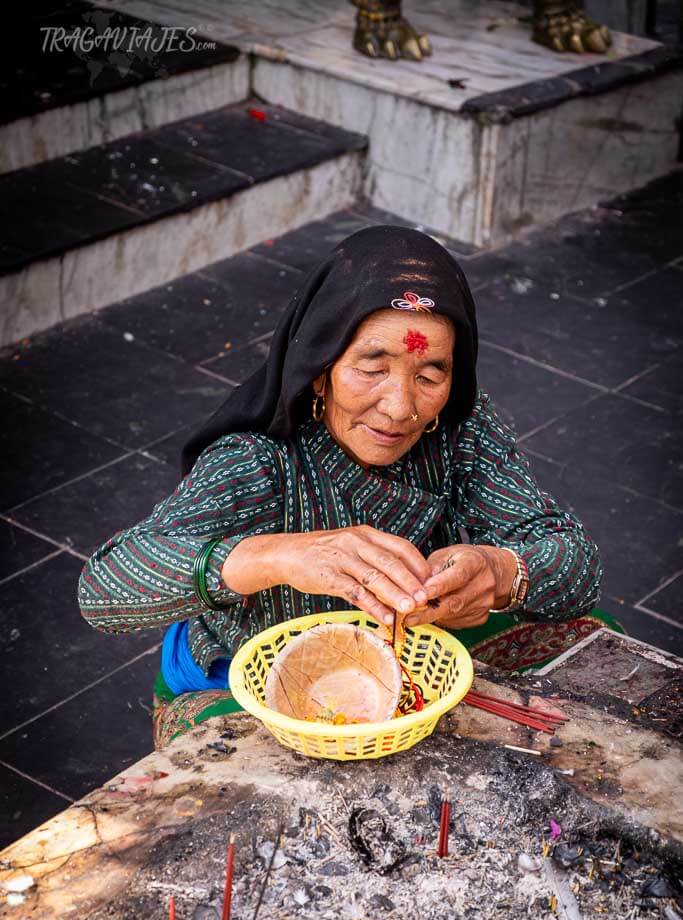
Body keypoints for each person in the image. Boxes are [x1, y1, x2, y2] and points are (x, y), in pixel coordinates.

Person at [78, 226, 618, 749]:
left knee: (592, 648)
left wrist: (501, 573)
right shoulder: (256, 461)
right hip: (252, 681)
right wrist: (280, 556)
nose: (401, 407)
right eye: (371, 368)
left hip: (407, 659)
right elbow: (104, 588)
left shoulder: (462, 432)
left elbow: (575, 562)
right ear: (319, 367)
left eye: (430, 377)